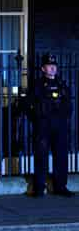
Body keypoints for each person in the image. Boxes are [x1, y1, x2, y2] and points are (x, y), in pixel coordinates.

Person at [31, 53, 74, 197]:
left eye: (54, 66)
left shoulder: (62, 84)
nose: (52, 68)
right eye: (49, 66)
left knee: (61, 156)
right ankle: (39, 187)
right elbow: (29, 105)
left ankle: (60, 186)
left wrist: (64, 119)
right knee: (41, 156)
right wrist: (37, 119)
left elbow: (69, 105)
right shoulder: (37, 85)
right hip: (43, 125)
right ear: (43, 68)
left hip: (59, 126)